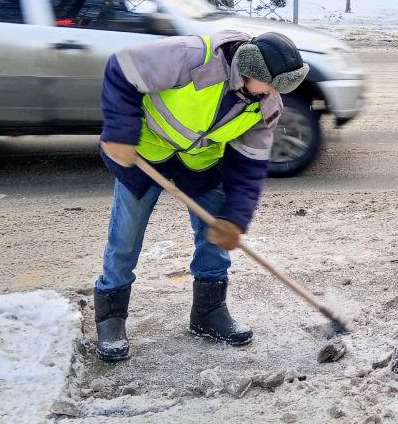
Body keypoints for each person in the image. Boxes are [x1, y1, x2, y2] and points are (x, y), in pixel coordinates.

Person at [92, 29, 308, 363]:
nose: (275, 95)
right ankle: (111, 319)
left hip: (199, 164)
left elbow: (248, 168)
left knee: (216, 234)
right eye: (271, 85)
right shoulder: (193, 56)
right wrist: (120, 131)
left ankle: (209, 312)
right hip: (145, 153)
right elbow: (122, 68)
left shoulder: (263, 107)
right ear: (251, 72)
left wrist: (235, 219)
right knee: (126, 235)